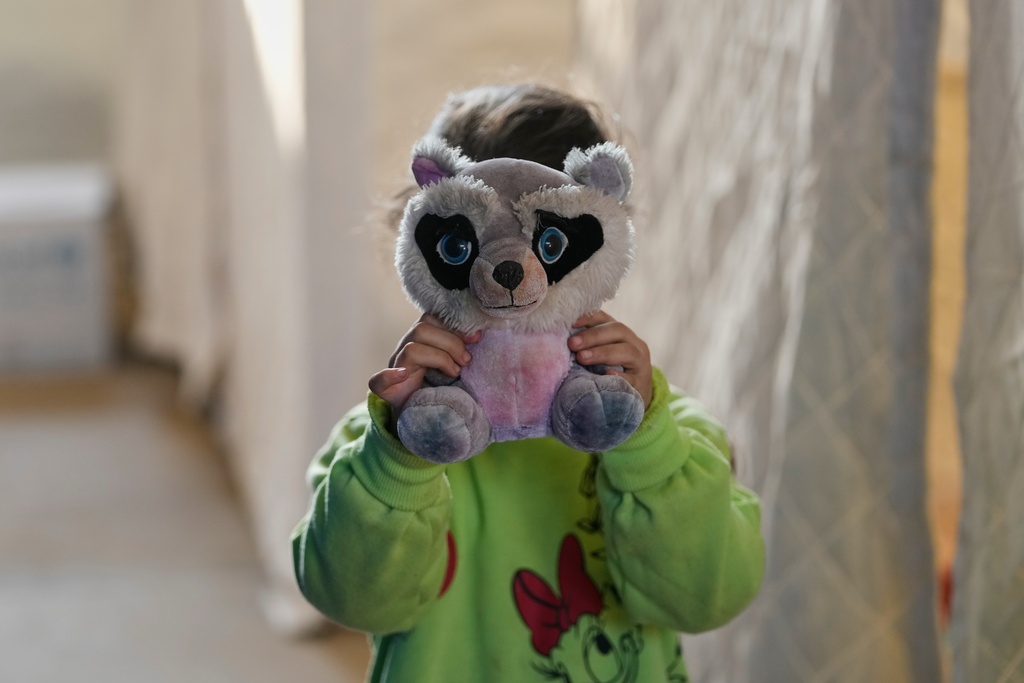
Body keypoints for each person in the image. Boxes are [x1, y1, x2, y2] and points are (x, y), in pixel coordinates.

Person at [291, 83, 765, 682]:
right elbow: (350, 599)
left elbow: (705, 599)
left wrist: (647, 445)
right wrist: (400, 460)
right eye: (466, 248)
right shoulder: (381, 441)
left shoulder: (672, 436)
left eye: (551, 244)